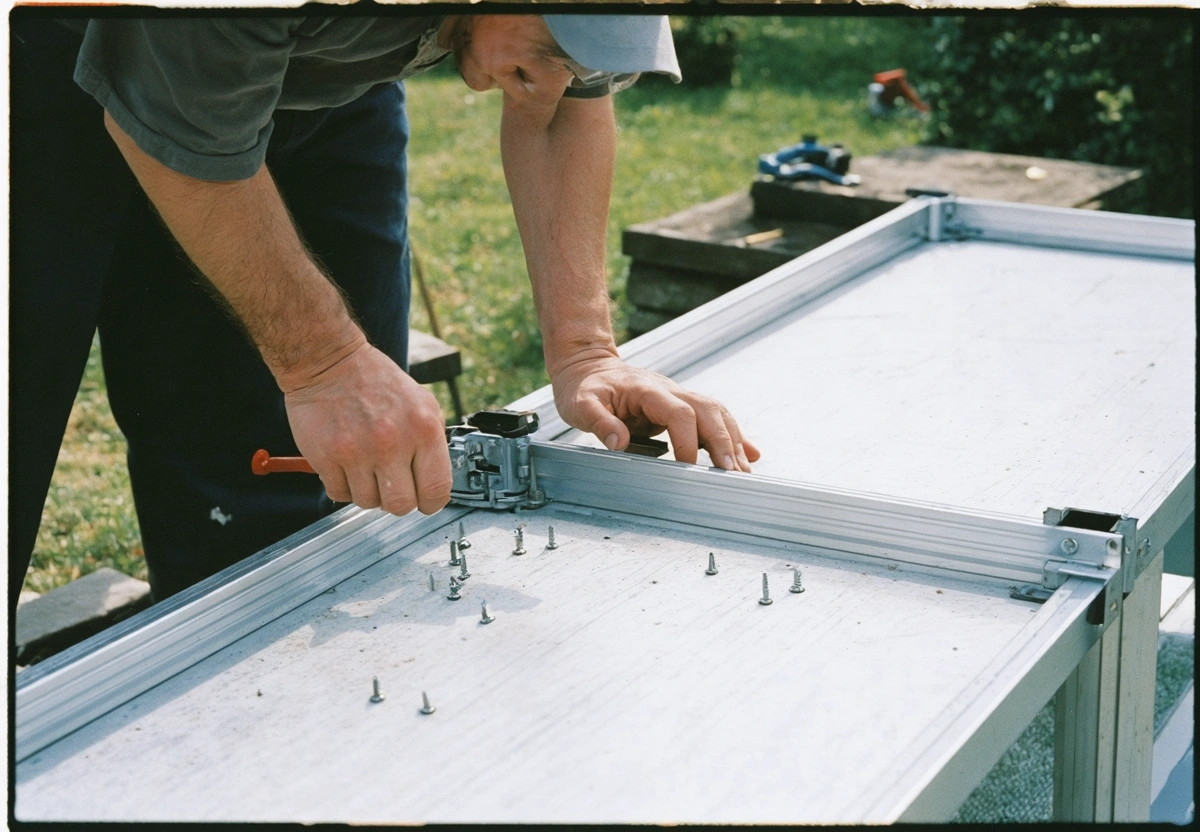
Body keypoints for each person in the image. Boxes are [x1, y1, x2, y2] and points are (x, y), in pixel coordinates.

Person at [9, 12, 761, 606]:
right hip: (57, 58)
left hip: (325, 77)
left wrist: (586, 352)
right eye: (553, 44)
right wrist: (325, 362)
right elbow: (177, 127)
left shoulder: (552, 50)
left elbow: (564, 104)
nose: (557, 77)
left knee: (298, 488)